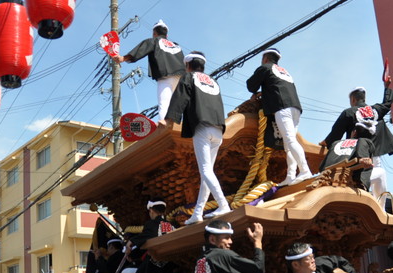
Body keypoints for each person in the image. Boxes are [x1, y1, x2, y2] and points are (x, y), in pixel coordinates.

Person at [160, 51, 231, 224]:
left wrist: (168, 120)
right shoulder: (213, 82)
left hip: (202, 128)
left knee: (205, 171)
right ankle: (197, 213)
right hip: (218, 129)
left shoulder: (189, 77)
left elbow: (180, 97)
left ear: (188, 65)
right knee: (207, 173)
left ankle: (223, 204)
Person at [320, 78, 393, 202]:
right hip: (374, 153)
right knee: (379, 175)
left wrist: (325, 142)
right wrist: (386, 87)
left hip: (357, 155)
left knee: (376, 175)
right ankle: (380, 207)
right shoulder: (375, 111)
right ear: (364, 98)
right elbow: (387, 103)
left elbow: (335, 134)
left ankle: (374, 204)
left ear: (353, 99)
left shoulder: (349, 112)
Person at [246, 47, 312, 186]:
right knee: (289, 144)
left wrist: (257, 92)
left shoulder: (265, 68)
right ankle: (290, 176)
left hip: (282, 108)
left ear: (265, 58)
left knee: (290, 141)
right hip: (296, 108)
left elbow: (251, 86)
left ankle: (305, 170)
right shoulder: (285, 72)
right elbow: (276, 87)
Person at [116, 20, 185, 120]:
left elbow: (140, 50)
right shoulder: (177, 46)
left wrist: (123, 58)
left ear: (154, 33)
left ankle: (164, 125)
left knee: (164, 103)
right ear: (166, 34)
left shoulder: (154, 41)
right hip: (182, 78)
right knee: (178, 105)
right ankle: (180, 126)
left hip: (166, 76)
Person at [121, 199, 175, 273]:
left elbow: (146, 237)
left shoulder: (152, 224)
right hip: (172, 271)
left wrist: (130, 242)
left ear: (151, 210)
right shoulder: (172, 225)